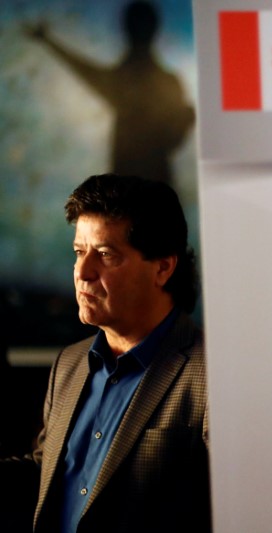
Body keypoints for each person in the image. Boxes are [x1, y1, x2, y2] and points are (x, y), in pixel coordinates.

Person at [0, 174, 210, 532]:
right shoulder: (69, 364)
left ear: (163, 267)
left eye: (105, 255)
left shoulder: (212, 374)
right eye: (79, 252)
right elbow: (48, 472)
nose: (82, 272)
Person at [24, 2, 195, 185]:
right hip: (149, 186)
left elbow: (84, 70)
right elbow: (175, 137)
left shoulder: (125, 83)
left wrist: (47, 40)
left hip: (133, 186)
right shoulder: (167, 83)